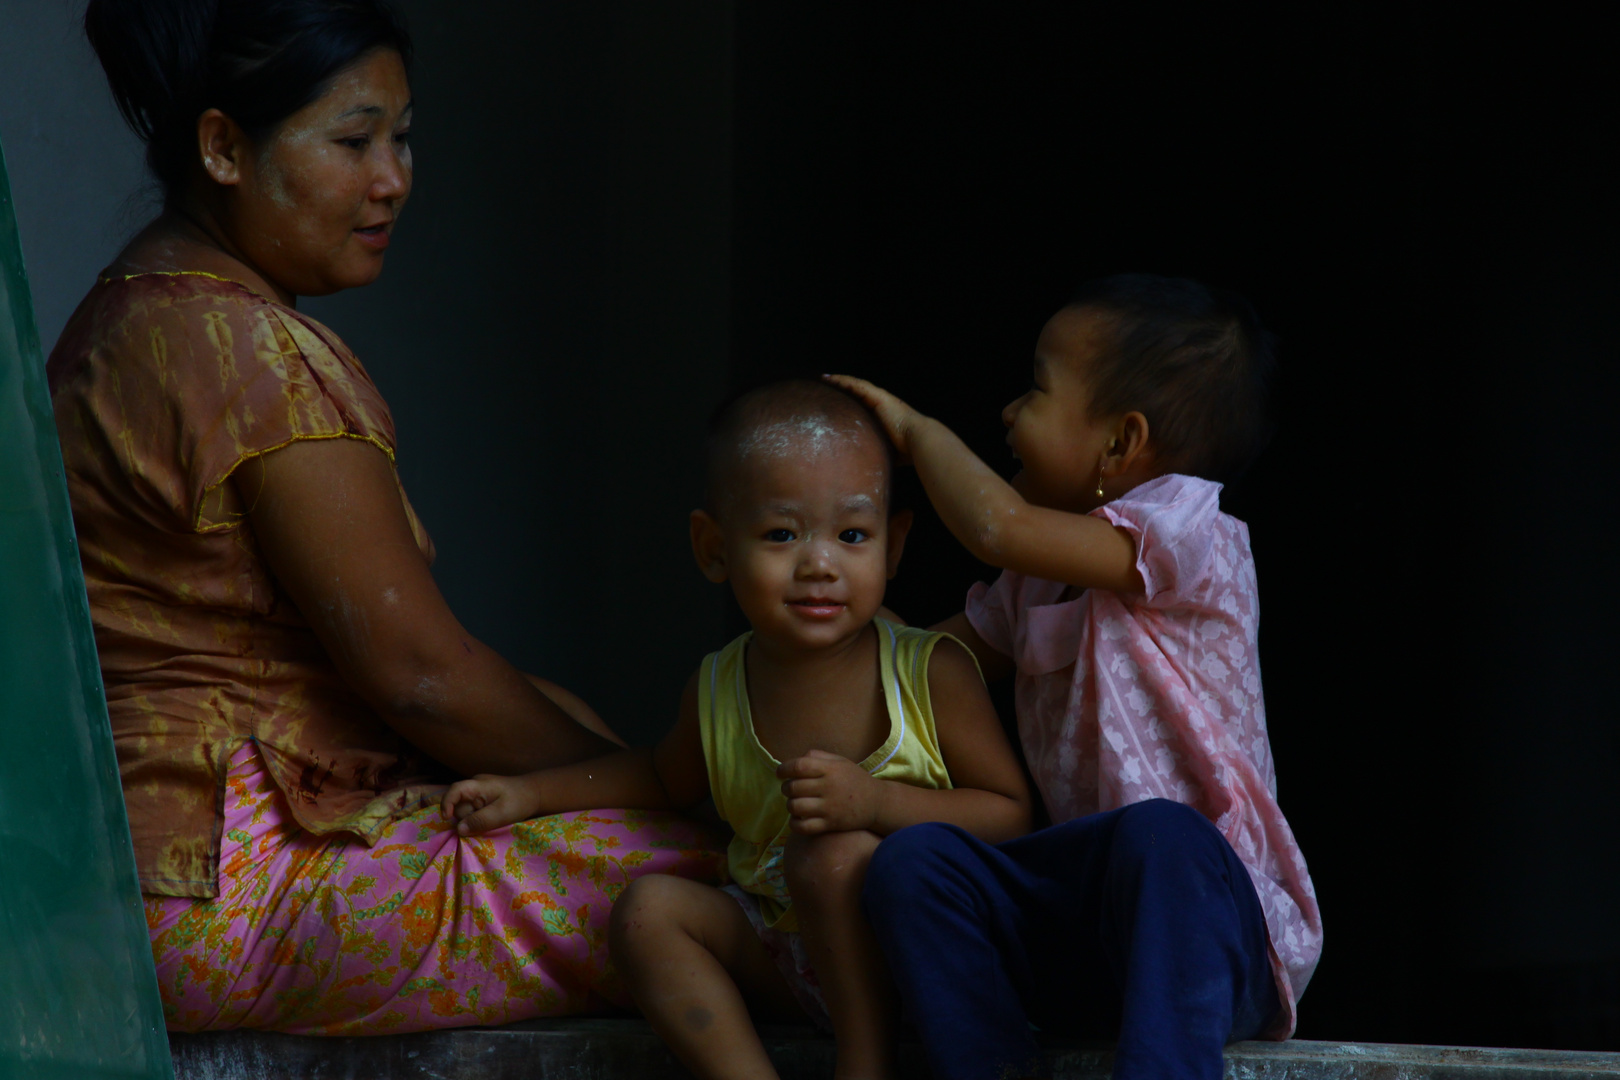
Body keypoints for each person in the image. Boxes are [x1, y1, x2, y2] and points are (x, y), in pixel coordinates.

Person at [50, 0, 720, 1034]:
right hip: (229, 887)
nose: (393, 180)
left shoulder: (133, 311)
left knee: (571, 732)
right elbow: (422, 677)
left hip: (141, 881)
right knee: (743, 883)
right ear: (224, 146)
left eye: (401, 138)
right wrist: (646, 791)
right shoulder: (246, 355)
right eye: (354, 140)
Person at [442, 379, 1033, 1080]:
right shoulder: (719, 686)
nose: (819, 564)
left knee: (833, 854)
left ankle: (864, 1065)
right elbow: (663, 778)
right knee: (648, 913)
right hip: (790, 957)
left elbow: (1013, 819)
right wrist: (529, 796)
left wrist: (878, 806)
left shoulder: (928, 673)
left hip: (920, 963)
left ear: (893, 546)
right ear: (714, 548)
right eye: (782, 534)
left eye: (852, 535)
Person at [828, 273, 1322, 1080]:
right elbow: (923, 665)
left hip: (1210, 925)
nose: (1010, 414)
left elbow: (1000, 526)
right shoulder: (1031, 584)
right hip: (1087, 931)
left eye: (1035, 389)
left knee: (1161, 835)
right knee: (915, 866)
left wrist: (918, 434)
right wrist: (824, 624)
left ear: (1121, 445)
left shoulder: (1195, 532)